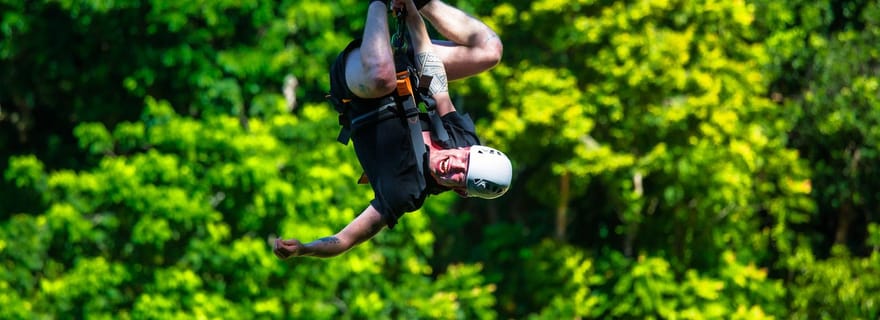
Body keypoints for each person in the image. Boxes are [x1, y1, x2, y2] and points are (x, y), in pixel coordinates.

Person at [274, 0, 511, 259]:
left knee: (382, 76)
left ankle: (378, 2)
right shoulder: (462, 139)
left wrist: (305, 249)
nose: (453, 163)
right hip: (406, 70)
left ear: (461, 191)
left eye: (459, 175)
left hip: (361, 86)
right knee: (490, 51)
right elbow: (436, 86)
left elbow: (346, 239)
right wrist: (411, 14)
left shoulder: (405, 190)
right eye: (464, 159)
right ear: (469, 150)